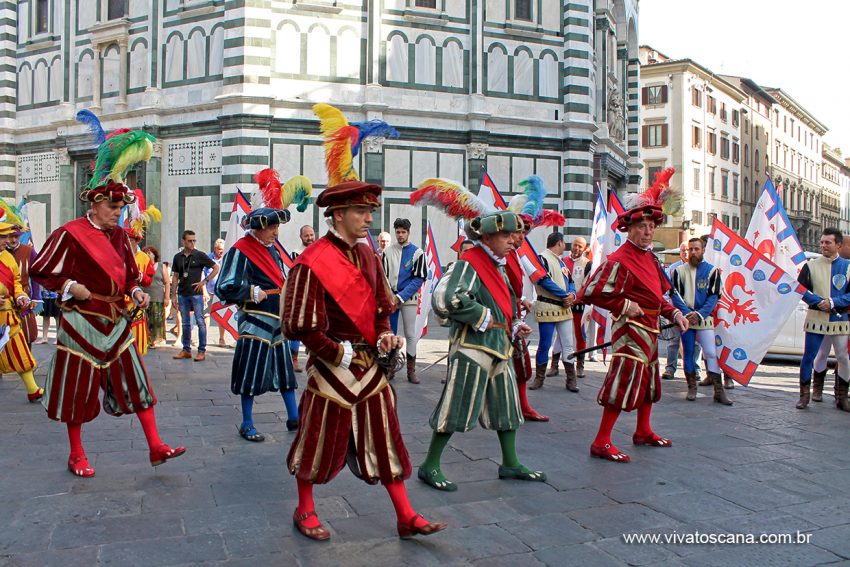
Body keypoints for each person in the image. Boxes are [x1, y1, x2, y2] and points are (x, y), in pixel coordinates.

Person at [283, 179, 446, 541]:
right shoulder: (312, 262)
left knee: (385, 437)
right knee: (317, 439)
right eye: (361, 211)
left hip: (369, 363)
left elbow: (381, 307)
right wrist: (337, 353)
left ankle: (405, 515)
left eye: (371, 211)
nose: (369, 218)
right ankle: (304, 508)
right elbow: (300, 325)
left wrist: (385, 333)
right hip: (330, 365)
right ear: (337, 215)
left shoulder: (370, 255)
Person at [31, 130, 185, 477]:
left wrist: (136, 292)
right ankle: (76, 455)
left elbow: (130, 275)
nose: (119, 212)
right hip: (81, 322)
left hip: (116, 321)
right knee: (77, 391)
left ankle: (155, 446)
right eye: (113, 207)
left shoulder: (118, 236)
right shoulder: (68, 234)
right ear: (95, 204)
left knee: (136, 381)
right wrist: (71, 285)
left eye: (120, 206)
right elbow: (41, 270)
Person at [421, 210, 546, 490]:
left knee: (508, 407)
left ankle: (511, 463)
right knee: (456, 406)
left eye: (516, 235)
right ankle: (430, 465)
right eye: (507, 235)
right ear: (487, 237)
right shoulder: (470, 263)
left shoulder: (498, 266)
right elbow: (445, 298)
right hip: (472, 347)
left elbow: (503, 305)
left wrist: (512, 325)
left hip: (499, 346)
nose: (514, 240)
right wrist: (483, 316)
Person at [577, 169, 689, 463]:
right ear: (629, 228)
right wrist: (625, 306)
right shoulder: (618, 259)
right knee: (624, 379)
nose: (648, 231)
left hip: (650, 328)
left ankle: (643, 430)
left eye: (651, 226)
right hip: (630, 330)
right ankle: (601, 441)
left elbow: (656, 297)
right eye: (642, 226)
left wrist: (675, 312)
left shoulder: (650, 257)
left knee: (650, 380)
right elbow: (590, 292)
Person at [217, 207, 300, 441]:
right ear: (259, 229)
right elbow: (226, 286)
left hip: (277, 320)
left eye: (277, 227)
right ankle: (246, 422)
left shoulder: (272, 250)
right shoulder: (240, 251)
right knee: (250, 373)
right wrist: (251, 292)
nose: (276, 232)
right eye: (272, 228)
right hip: (255, 320)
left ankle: (294, 417)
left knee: (285, 373)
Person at [670, 238, 731, 405]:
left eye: (696, 249)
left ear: (703, 250)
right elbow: (675, 295)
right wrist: (687, 313)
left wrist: (701, 314)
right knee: (688, 352)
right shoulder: (679, 271)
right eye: (691, 249)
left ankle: (718, 390)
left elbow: (714, 297)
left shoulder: (712, 272)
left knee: (711, 352)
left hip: (704, 319)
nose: (693, 252)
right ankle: (691, 387)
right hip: (687, 319)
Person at [796, 228, 850, 412]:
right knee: (810, 356)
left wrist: (834, 302)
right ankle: (805, 395)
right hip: (816, 317)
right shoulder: (810, 265)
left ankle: (841, 397)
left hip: (839, 319)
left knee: (843, 356)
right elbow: (801, 290)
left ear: (839, 245)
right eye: (822, 242)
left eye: (828, 242)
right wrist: (819, 302)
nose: (823, 246)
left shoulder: (848, 266)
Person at [505, 218, 549, 421]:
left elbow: (510, 286)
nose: (521, 237)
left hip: (513, 317)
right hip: (499, 319)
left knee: (521, 364)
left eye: (524, 233)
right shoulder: (501, 254)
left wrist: (521, 300)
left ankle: (522, 406)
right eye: (518, 232)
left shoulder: (514, 253)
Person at [0, 221, 44, 403]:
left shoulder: (8, 257)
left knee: (20, 350)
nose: (7, 241)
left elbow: (17, 281)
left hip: (8, 315)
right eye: (3, 237)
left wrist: (20, 296)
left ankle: (32, 389)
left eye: (9, 236)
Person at [529, 232, 578, 392]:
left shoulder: (562, 262)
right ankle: (539, 378)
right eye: (564, 243)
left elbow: (570, 281)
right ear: (560, 243)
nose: (565, 246)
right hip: (547, 307)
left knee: (568, 345)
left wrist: (571, 294)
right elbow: (543, 281)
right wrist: (565, 295)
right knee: (545, 344)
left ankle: (571, 380)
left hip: (564, 308)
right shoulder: (542, 258)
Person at [382, 218, 427, 383]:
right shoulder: (387, 252)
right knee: (390, 332)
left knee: (410, 334)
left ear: (409, 232)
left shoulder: (417, 253)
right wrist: (390, 296)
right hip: (391, 298)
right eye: (398, 232)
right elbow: (383, 277)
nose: (400, 235)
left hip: (408, 298)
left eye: (403, 232)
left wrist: (401, 296)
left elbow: (419, 278)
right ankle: (390, 367)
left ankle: (411, 371)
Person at [171, 230, 219, 361]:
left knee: (200, 321)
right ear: (183, 241)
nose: (192, 243)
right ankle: (186, 349)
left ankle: (201, 350)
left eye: (194, 241)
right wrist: (173, 295)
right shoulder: (177, 257)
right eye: (189, 241)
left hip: (196, 294)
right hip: (183, 293)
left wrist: (205, 281)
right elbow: (175, 276)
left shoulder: (199, 255)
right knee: (185, 322)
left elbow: (216, 268)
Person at [661, 242, 703, 381]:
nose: (686, 252)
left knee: (696, 343)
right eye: (683, 250)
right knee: (674, 341)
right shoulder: (673, 269)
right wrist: (669, 311)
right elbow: (667, 291)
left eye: (688, 250)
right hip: (676, 311)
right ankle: (670, 368)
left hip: (693, 312)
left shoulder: (699, 268)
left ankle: (696, 369)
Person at [554, 236, 589, 378]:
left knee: (580, 335)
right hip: (563, 304)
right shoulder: (562, 261)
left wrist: (574, 299)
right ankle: (554, 365)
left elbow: (586, 286)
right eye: (575, 245)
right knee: (559, 336)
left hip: (579, 306)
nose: (576, 248)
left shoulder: (588, 264)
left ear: (584, 248)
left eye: (580, 246)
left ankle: (580, 365)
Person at [6, 223, 40, 345]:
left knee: (27, 336)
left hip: (24, 300)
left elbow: (35, 275)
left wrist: (36, 297)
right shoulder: (2, 252)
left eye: (16, 236)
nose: (14, 240)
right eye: (10, 236)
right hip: (5, 300)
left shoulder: (28, 250)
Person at [288, 225, 316, 372]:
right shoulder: (296, 254)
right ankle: (294, 359)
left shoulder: (321, 252)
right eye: (307, 236)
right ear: (301, 237)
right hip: (301, 296)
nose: (310, 238)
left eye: (311, 235)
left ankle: (315, 358)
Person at [125, 229, 155, 356]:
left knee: (136, 343)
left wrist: (141, 277)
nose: (126, 243)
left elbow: (148, 281)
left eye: (130, 240)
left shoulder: (144, 258)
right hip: (116, 302)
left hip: (135, 302)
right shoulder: (116, 254)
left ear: (137, 240)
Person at [142, 246, 169, 349]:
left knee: (156, 320)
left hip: (158, 297)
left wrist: (166, 297)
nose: (149, 254)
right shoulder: (143, 265)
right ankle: (146, 339)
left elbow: (167, 283)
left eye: (150, 252)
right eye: (146, 253)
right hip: (145, 296)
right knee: (145, 319)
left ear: (155, 254)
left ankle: (154, 340)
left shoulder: (161, 266)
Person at [204, 239, 227, 347]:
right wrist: (204, 290)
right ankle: (203, 337)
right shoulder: (208, 258)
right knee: (206, 315)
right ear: (215, 249)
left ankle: (221, 338)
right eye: (219, 250)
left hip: (221, 292)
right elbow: (203, 274)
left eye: (222, 250)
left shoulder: (226, 258)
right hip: (209, 290)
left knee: (221, 316)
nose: (221, 252)